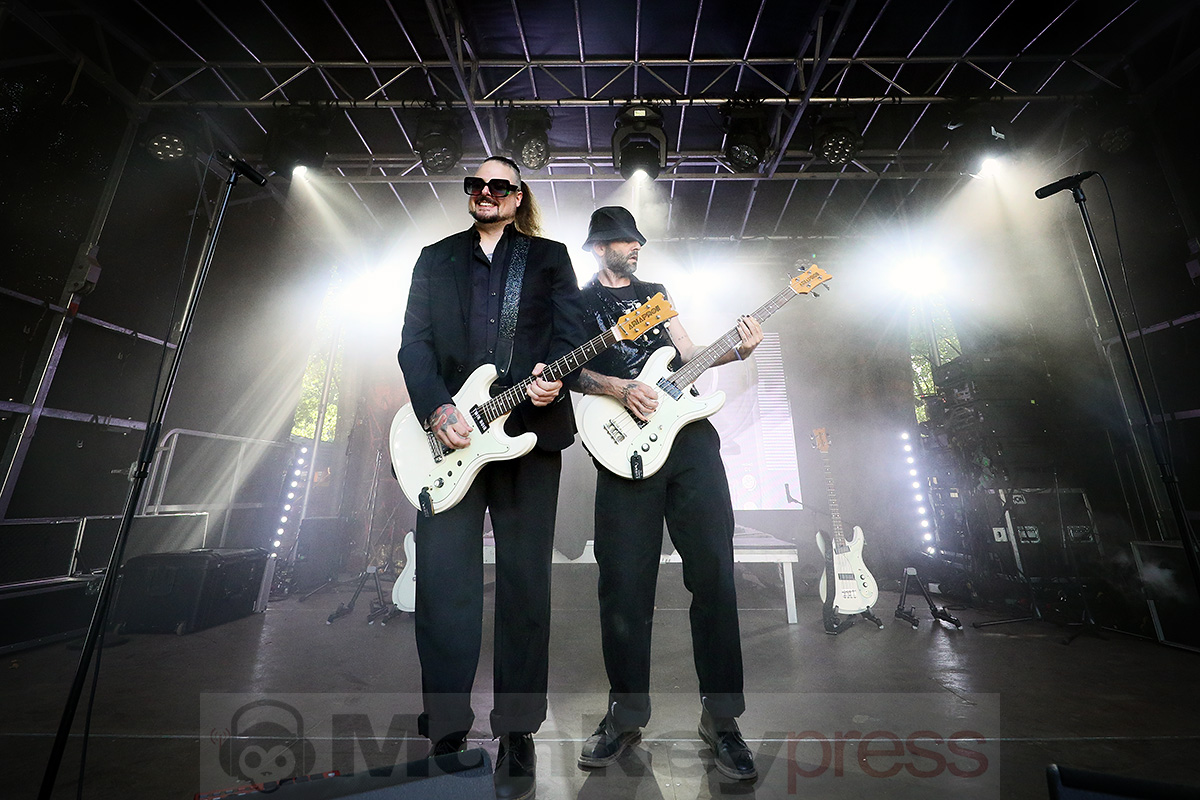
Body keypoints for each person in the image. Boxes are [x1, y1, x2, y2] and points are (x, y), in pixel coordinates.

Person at [397, 155, 584, 800]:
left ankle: (518, 733)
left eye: (498, 185)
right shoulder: (435, 258)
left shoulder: (549, 257)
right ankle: (446, 730)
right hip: (449, 438)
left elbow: (571, 336)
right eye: (475, 184)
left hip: (527, 436)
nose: (485, 192)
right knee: (443, 586)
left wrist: (555, 379)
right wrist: (436, 408)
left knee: (525, 586)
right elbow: (413, 344)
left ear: (517, 194)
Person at [571, 206, 762, 781]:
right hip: (623, 451)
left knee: (715, 576)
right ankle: (625, 715)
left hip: (689, 444)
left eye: (637, 241)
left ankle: (722, 720)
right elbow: (566, 371)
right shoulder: (577, 302)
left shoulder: (656, 293)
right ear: (599, 247)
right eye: (624, 241)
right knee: (624, 589)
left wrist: (736, 349)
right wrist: (618, 387)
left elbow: (689, 353)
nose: (635, 248)